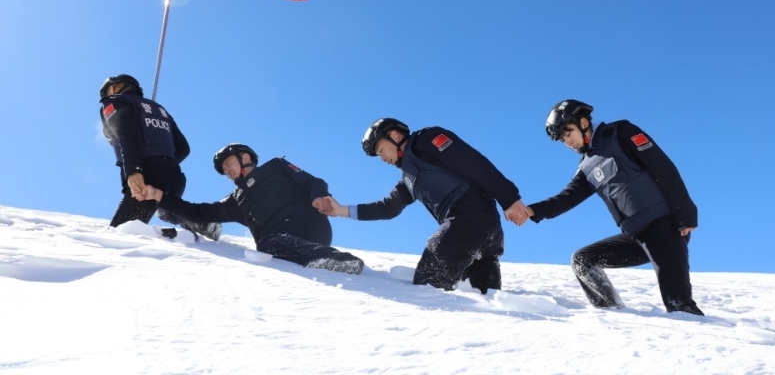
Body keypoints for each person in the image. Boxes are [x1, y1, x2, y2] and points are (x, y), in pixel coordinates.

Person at [524, 100, 703, 315]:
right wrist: (532, 211)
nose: (567, 142)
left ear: (583, 123)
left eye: (568, 133)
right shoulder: (586, 166)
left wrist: (685, 211)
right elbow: (567, 197)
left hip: (663, 227)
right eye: (562, 139)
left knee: (679, 306)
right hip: (636, 236)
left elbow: (663, 168)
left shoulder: (621, 133)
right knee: (583, 261)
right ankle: (613, 316)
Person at [322, 118, 529, 294]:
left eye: (381, 150)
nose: (382, 158)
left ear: (394, 136)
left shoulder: (427, 139)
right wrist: (341, 210)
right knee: (485, 300)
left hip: (470, 217)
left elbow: (473, 163)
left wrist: (510, 199)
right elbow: (388, 208)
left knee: (428, 284)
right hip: (482, 233)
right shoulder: (408, 179)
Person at [137, 143, 364, 275]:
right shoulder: (236, 201)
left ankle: (337, 259)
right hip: (280, 244)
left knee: (267, 244)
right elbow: (198, 213)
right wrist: (159, 197)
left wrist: (319, 196)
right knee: (267, 244)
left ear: (245, 157)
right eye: (224, 170)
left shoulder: (275, 167)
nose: (227, 171)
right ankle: (322, 261)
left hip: (309, 226)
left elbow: (313, 181)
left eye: (228, 164)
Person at [99, 74, 220, 240]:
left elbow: (126, 134)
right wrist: (164, 163)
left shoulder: (115, 102)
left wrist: (134, 171)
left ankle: (178, 237)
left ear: (112, 89)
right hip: (174, 177)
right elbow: (183, 148)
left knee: (120, 235)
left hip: (146, 178)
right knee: (165, 211)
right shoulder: (160, 110)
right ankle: (198, 222)